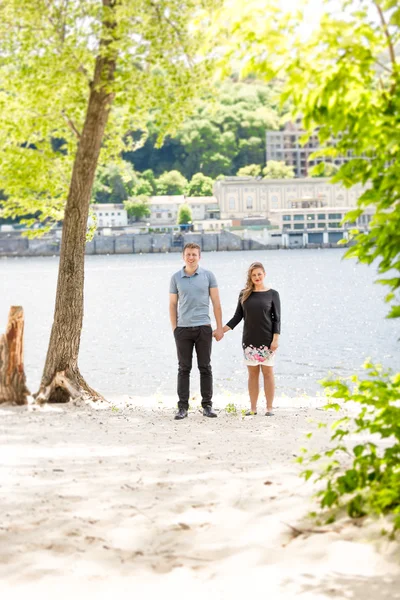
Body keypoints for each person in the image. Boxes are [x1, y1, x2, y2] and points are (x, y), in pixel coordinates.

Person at [215, 262, 281, 416]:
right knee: (252, 375)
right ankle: (253, 408)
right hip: (250, 342)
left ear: (264, 274)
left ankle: (269, 408)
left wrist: (275, 339)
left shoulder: (273, 294)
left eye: (259, 274)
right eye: (254, 275)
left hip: (267, 341)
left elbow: (277, 319)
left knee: (268, 373)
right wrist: (221, 330)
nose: (257, 277)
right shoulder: (244, 294)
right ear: (250, 277)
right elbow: (237, 317)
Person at [169, 242, 224, 420]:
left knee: (205, 367)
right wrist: (175, 328)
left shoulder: (208, 276)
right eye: (188, 254)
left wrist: (220, 327)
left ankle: (207, 405)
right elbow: (172, 304)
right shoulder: (176, 277)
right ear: (183, 256)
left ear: (199, 257)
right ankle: (182, 407)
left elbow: (216, 303)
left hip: (203, 328)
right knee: (184, 368)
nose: (191, 257)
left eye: (194, 254)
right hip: (183, 329)